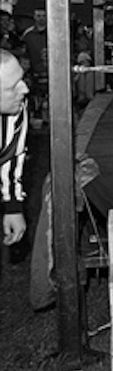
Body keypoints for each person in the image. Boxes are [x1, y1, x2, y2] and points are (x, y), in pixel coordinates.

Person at [1, 49, 29, 249]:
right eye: (13, 87)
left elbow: (10, 157)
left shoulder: (15, 110)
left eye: (22, 79)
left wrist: (13, 207)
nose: (25, 89)